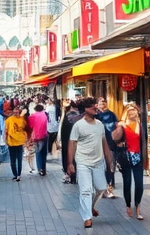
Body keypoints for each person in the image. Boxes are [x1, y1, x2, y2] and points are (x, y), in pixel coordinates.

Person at [67, 96, 113, 230]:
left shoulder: (100, 125)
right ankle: (87, 217)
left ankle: (90, 206)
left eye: (95, 105)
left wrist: (109, 161)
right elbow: (72, 144)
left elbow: (104, 144)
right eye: (92, 106)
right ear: (85, 109)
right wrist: (70, 163)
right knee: (86, 190)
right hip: (82, 162)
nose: (95, 107)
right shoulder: (78, 125)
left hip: (98, 162)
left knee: (101, 188)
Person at [112, 103, 146, 221]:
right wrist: (118, 128)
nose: (132, 113)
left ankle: (138, 206)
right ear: (126, 113)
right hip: (126, 157)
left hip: (138, 157)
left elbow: (144, 142)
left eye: (134, 111)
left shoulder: (140, 125)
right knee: (127, 182)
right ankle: (128, 204)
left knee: (139, 184)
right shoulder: (122, 125)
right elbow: (115, 139)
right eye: (130, 111)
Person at [95, 97, 119, 198]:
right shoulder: (96, 115)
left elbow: (117, 126)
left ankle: (109, 185)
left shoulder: (111, 114)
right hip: (99, 143)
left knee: (110, 165)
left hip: (110, 143)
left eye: (104, 103)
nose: (102, 105)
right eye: (100, 103)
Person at [4, 105, 29, 180]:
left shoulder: (22, 119)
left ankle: (19, 174)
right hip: (11, 142)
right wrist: (5, 140)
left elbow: (25, 128)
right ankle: (15, 174)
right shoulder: (9, 120)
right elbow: (6, 131)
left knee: (19, 159)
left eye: (17, 111)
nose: (16, 112)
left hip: (20, 142)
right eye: (15, 110)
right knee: (13, 159)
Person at [61, 101, 82, 184]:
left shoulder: (68, 117)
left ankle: (71, 176)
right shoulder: (80, 117)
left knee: (70, 159)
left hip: (68, 142)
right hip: (77, 141)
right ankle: (74, 176)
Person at [28, 103, 49, 175]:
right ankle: (44, 168)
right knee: (44, 153)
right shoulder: (45, 115)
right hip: (44, 135)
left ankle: (40, 169)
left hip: (36, 137)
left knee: (38, 153)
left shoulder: (32, 116)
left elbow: (30, 126)